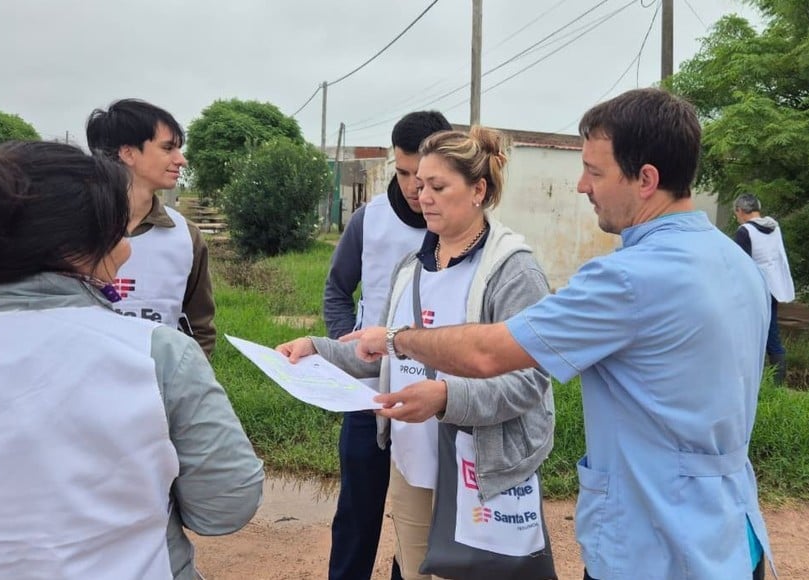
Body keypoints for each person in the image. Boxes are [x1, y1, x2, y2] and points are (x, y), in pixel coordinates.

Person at [347, 89, 776, 579]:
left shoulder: (627, 279)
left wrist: (399, 339)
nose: (580, 186)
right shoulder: (737, 264)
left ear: (646, 180)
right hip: (732, 538)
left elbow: (492, 355)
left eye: (595, 172)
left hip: (654, 547)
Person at [0, 141, 264, 579]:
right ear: (72, 244)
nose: (126, 251)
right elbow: (226, 506)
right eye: (116, 233)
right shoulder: (158, 354)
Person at [282, 127, 555, 579]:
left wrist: (446, 398)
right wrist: (316, 349)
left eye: (437, 186)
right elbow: (385, 353)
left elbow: (529, 382)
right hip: (411, 466)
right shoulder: (411, 269)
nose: (421, 195)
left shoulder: (513, 271)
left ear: (478, 190)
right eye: (418, 184)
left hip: (481, 472)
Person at [322, 110, 452, 580]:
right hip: (368, 392)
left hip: (435, 396)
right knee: (359, 510)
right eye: (403, 174)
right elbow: (337, 289)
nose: (417, 190)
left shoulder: (461, 226)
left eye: (428, 178)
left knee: (424, 512)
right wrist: (346, 347)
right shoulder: (369, 219)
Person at [86, 99, 217, 357]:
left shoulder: (186, 236)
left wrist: (188, 384)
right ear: (128, 153)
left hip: (158, 389)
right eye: (168, 148)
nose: (182, 160)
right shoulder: (73, 228)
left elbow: (200, 328)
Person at [734, 193, 795, 385]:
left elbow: (740, 266)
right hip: (774, 287)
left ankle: (760, 383)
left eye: (736, 213)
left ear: (741, 211)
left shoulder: (745, 231)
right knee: (771, 332)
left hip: (754, 289)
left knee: (751, 334)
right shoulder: (774, 227)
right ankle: (776, 383)